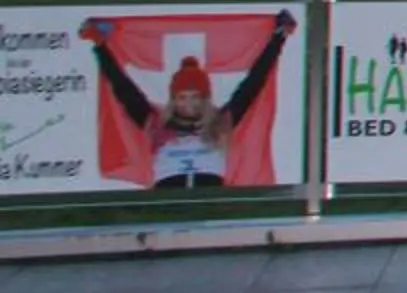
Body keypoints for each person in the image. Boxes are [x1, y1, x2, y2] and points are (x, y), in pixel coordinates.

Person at [81, 10, 296, 188]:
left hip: (210, 204)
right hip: (168, 206)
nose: (189, 103)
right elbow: (123, 88)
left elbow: (253, 84)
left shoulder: (221, 123)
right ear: (174, 99)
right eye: (182, 97)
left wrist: (278, 38)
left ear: (205, 98)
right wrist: (100, 46)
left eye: (195, 97)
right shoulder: (155, 125)